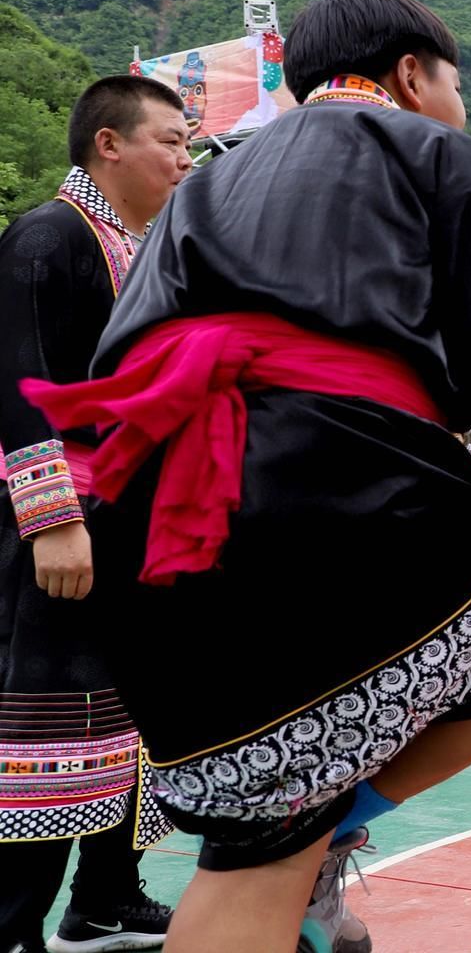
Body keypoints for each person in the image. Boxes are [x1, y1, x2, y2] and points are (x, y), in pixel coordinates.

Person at [23, 0, 471, 953]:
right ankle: (325, 822)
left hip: (168, 522)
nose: (460, 102)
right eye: (455, 79)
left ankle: (313, 821)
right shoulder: (439, 154)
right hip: (336, 492)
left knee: (254, 843)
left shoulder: (205, 183)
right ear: (411, 75)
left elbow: (122, 360)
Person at [0, 76, 191, 953]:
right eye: (172, 141)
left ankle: (105, 898)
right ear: (109, 145)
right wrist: (52, 519)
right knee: (48, 727)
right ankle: (11, 924)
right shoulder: (48, 236)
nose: (185, 158)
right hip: (61, 531)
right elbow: (21, 383)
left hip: (128, 531)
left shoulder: (144, 245)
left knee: (129, 715)